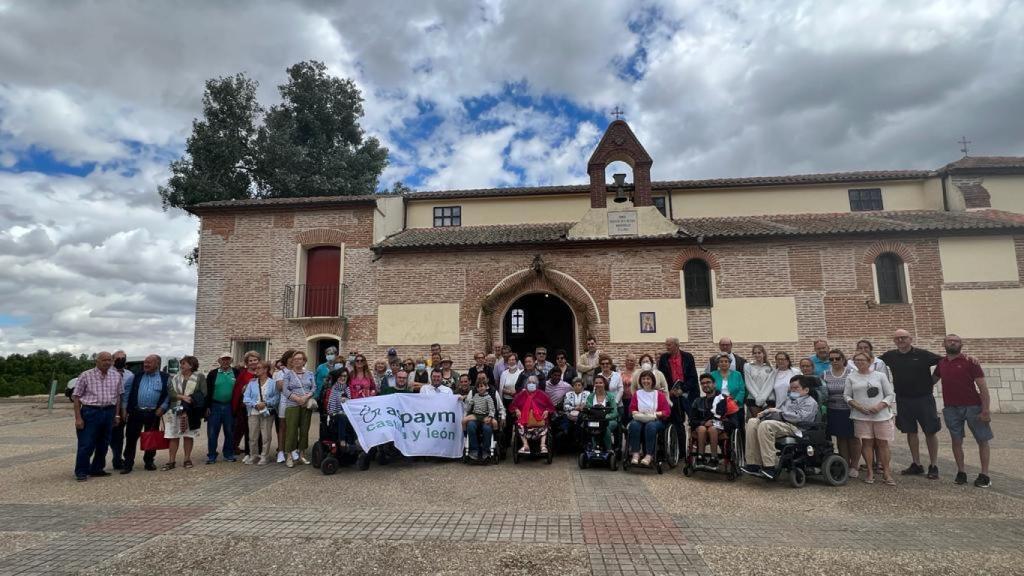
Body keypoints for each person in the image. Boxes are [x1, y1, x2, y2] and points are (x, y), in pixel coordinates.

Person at [879, 329, 943, 479]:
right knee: (910, 431)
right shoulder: (890, 356)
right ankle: (916, 464)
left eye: (903, 338)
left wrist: (933, 379)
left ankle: (933, 465)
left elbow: (944, 362)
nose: (900, 340)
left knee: (930, 431)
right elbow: (873, 362)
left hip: (924, 398)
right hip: (903, 399)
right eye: (897, 339)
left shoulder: (923, 354)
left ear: (910, 339)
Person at [933, 334, 993, 487]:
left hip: (973, 407)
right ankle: (961, 472)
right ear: (944, 343)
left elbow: (983, 388)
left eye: (956, 341)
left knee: (982, 439)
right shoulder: (941, 363)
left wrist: (985, 410)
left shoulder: (970, 362)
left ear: (961, 344)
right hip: (951, 408)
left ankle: (985, 474)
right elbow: (931, 381)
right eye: (949, 340)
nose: (952, 343)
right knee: (956, 440)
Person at [740, 376, 819, 479]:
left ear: (806, 390)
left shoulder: (810, 402)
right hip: (782, 424)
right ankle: (753, 464)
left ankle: (770, 467)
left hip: (796, 427)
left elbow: (800, 418)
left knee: (766, 425)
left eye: (796, 388)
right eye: (791, 388)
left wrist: (780, 413)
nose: (792, 390)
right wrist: (765, 413)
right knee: (752, 422)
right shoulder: (789, 400)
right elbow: (777, 411)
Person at [845, 352, 897, 485]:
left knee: (882, 444)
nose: (859, 362)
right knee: (867, 443)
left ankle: (886, 472)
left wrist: (880, 406)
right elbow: (847, 396)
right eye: (856, 360)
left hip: (881, 415)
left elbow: (890, 394)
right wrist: (857, 406)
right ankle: (869, 471)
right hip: (861, 415)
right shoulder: (851, 377)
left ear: (869, 361)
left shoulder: (880, 376)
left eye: (862, 360)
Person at [72, 351, 124, 481]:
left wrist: (117, 415)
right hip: (91, 412)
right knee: (86, 443)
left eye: (109, 360)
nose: (107, 362)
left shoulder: (116, 375)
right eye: (104, 360)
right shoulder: (86, 375)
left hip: (109, 412)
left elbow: (118, 397)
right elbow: (76, 397)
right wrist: (78, 418)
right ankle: (81, 471)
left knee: (104, 443)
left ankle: (97, 468)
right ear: (97, 361)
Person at [120, 354, 169, 474]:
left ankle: (149, 461)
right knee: (131, 438)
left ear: (157, 364)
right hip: (136, 412)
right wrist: (124, 409)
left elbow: (169, 395)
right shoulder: (136, 376)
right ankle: (128, 464)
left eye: (149, 362)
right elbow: (126, 393)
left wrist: (163, 407)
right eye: (145, 362)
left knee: (151, 438)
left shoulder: (165, 378)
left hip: (154, 413)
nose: (145, 365)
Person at [162, 355, 206, 471]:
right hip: (175, 410)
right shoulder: (174, 377)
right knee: (173, 435)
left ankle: (187, 459)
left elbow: (203, 393)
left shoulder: (200, 377)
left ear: (191, 365)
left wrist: (190, 399)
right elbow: (170, 393)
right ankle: (171, 460)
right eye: (181, 364)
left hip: (191, 411)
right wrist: (183, 397)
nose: (181, 366)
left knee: (188, 435)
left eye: (183, 364)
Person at [690, 373, 740, 468]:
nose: (705, 385)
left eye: (708, 382)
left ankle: (714, 458)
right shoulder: (697, 401)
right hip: (702, 429)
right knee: (701, 428)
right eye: (702, 383)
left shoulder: (725, 400)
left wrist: (716, 423)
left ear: (714, 384)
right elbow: (692, 421)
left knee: (712, 429)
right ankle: (700, 457)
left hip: (720, 429)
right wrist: (704, 423)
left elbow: (734, 422)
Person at [823, 349, 860, 477]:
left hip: (850, 410)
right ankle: (845, 464)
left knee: (854, 438)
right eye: (831, 359)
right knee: (841, 438)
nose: (834, 361)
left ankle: (855, 466)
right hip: (834, 410)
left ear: (843, 359)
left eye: (837, 358)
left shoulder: (851, 373)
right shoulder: (825, 374)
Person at [627, 370, 670, 466]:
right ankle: (635, 453)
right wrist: (635, 412)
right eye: (643, 379)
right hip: (640, 418)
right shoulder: (637, 394)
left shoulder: (659, 395)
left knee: (650, 426)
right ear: (640, 381)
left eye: (648, 379)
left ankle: (649, 455)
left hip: (655, 419)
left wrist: (656, 414)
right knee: (634, 425)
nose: (645, 381)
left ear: (652, 381)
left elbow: (667, 411)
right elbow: (632, 408)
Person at [204, 353, 239, 464]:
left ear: (231, 361)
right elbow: (207, 391)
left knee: (229, 431)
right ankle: (212, 455)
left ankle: (228, 454)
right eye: (223, 359)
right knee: (212, 432)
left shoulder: (236, 373)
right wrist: (207, 406)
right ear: (219, 361)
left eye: (227, 359)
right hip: (215, 406)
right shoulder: (213, 373)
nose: (225, 361)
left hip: (229, 406)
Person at [243, 360, 279, 465]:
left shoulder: (272, 383)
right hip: (253, 412)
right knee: (252, 436)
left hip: (267, 412)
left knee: (266, 436)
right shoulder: (252, 383)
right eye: (255, 368)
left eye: (259, 368)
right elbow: (246, 398)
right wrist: (255, 404)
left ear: (266, 369)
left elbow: (277, 398)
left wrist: (266, 403)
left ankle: (264, 456)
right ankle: (253, 455)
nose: (256, 370)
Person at [282, 351, 315, 468]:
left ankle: (301, 454)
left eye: (300, 359)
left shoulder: (310, 373)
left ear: (304, 361)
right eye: (295, 359)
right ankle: (289, 456)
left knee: (304, 430)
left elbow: (314, 387)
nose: (297, 361)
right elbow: (285, 390)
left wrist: (306, 397)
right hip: (292, 405)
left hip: (306, 405)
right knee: (292, 431)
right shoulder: (288, 374)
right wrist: (297, 398)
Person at [510, 375, 556, 453]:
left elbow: (551, 406)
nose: (531, 384)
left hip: (539, 418)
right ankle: (525, 445)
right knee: (519, 424)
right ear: (526, 384)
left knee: (545, 424)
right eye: (529, 382)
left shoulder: (542, 394)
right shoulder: (521, 394)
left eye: (533, 382)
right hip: (524, 419)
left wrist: (547, 411)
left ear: (537, 384)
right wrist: (517, 410)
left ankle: (543, 445)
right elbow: (513, 405)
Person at [107, 350, 133, 470]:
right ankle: (97, 462)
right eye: (118, 359)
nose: (120, 361)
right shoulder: (106, 372)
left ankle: (117, 458)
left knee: (119, 435)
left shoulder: (129, 375)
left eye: (123, 358)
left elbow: (127, 394)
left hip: (122, 409)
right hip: (108, 408)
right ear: (113, 360)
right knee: (105, 436)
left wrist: (124, 410)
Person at [232, 351, 259, 464]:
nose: (253, 362)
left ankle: (258, 451)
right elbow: (238, 388)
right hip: (245, 406)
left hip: (259, 405)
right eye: (250, 361)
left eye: (255, 360)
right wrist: (244, 388)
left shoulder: (262, 371)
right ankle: (248, 452)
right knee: (246, 429)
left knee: (259, 430)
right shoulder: (243, 373)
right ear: (247, 362)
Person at [272, 349, 296, 464]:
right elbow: (281, 387)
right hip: (284, 402)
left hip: (297, 402)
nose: (293, 360)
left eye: (295, 358)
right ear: (286, 360)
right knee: (282, 427)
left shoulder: (301, 371)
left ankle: (292, 449)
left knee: (295, 426)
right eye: (291, 358)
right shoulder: (280, 373)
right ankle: (281, 451)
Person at [463, 378, 497, 460]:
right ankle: (474, 449)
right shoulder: (475, 396)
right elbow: (469, 407)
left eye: (482, 386)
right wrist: (469, 403)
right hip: (475, 415)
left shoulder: (488, 397)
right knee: (470, 426)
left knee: (487, 428)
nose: (480, 388)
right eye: (478, 387)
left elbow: (492, 409)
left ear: (486, 387)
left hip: (485, 416)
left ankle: (486, 450)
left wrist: (490, 417)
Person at [585, 374, 619, 452]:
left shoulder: (611, 396)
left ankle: (609, 449)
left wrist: (604, 417)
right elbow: (588, 409)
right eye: (596, 383)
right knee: (594, 427)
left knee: (604, 427)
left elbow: (615, 412)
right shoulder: (590, 397)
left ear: (604, 384)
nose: (598, 384)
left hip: (609, 420)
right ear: (594, 384)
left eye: (600, 383)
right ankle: (594, 448)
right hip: (594, 420)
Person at [743, 345, 774, 418]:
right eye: (755, 353)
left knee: (765, 423)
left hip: (767, 400)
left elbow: (769, 385)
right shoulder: (748, 366)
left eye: (759, 353)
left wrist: (763, 398)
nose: (757, 355)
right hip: (753, 399)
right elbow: (749, 383)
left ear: (763, 353)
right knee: (754, 422)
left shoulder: (770, 367)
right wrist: (758, 398)